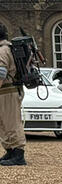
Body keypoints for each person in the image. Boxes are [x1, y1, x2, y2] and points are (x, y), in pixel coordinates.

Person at [0, 23, 25, 166]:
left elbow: (1, 73)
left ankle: (18, 154)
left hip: (8, 91)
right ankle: (10, 151)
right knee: (4, 123)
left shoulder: (2, 50)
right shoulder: (8, 48)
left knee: (11, 122)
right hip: (7, 91)